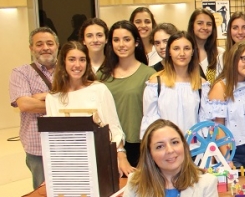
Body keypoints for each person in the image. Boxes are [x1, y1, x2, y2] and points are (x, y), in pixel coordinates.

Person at [115, 119, 219, 197]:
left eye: (175, 142)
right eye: (160, 146)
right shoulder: (135, 183)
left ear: (184, 146)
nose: (170, 150)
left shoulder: (206, 184)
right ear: (150, 154)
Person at [46, 41, 130, 176]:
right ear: (63, 63)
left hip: (100, 159)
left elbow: (114, 128)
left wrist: (121, 156)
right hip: (69, 164)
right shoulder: (53, 98)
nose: (77, 65)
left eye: (82, 60)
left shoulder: (99, 89)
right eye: (72, 59)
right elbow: (53, 139)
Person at [99, 21, 156, 167]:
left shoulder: (149, 74)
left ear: (136, 42)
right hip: (109, 143)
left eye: (126, 39)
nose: (121, 44)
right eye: (116, 40)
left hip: (139, 144)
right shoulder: (101, 75)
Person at [9, 27, 59, 188]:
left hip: (68, 143)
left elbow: (79, 100)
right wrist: (60, 101)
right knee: (42, 194)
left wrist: (43, 96)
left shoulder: (69, 70)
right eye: (39, 44)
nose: (45, 48)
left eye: (49, 43)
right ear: (31, 48)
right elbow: (25, 104)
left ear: (57, 46)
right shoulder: (21, 73)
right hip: (38, 147)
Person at [206, 41, 245, 168]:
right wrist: (227, 158)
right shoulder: (221, 87)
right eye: (244, 58)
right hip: (232, 151)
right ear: (234, 59)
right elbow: (218, 127)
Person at [141, 31, 207, 135]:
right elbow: (151, 122)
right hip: (165, 146)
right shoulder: (155, 84)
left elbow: (205, 122)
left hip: (195, 147)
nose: (182, 53)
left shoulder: (202, 85)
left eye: (187, 48)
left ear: (193, 51)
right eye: (176, 48)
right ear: (169, 52)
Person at [188, 8, 223, 83]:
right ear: (192, 25)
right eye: (200, 23)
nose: (205, 27)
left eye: (209, 24)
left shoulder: (220, 53)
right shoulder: (185, 53)